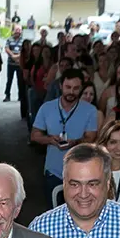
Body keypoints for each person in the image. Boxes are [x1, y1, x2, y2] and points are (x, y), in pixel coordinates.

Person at [31, 69, 98, 206]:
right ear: (61, 86)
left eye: (76, 88)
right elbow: (34, 135)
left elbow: (91, 138)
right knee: (53, 211)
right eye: (68, 87)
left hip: (81, 173)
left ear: (81, 88)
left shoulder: (90, 110)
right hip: (53, 172)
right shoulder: (46, 108)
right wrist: (50, 140)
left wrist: (75, 143)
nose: (71, 92)